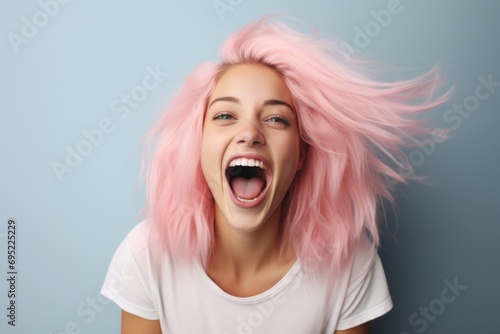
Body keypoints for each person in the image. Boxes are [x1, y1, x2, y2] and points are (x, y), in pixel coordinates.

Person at [101, 17, 450, 334]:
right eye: (225, 115)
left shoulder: (350, 262)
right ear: (198, 142)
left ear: (301, 154)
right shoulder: (146, 256)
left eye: (276, 118)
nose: (249, 133)